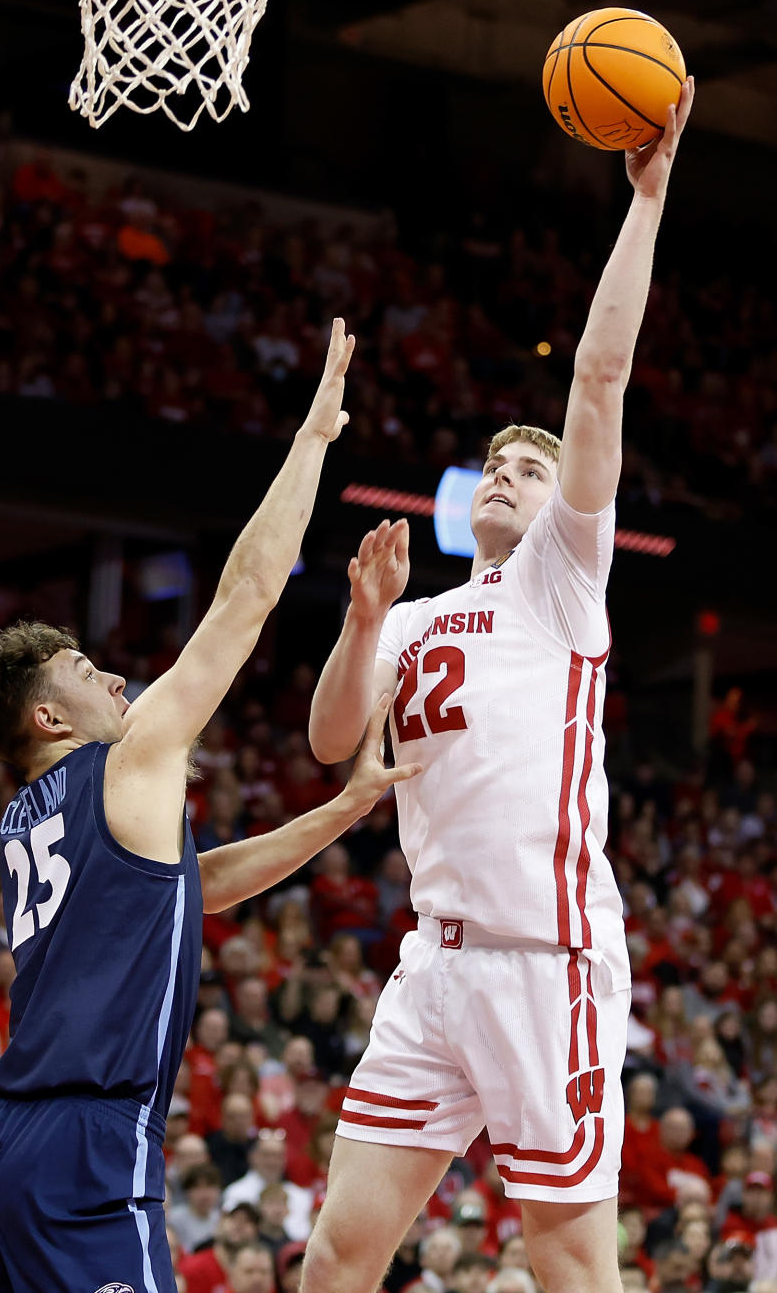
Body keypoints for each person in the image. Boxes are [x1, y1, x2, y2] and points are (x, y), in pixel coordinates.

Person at [0, 322, 421, 1293]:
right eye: (83, 670)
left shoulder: (33, 815)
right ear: (44, 716)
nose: (113, 676)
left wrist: (341, 809)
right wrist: (314, 438)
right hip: (86, 1143)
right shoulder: (130, 761)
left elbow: (201, 884)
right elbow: (244, 596)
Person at [303, 82, 695, 1293]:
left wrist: (648, 197)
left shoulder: (564, 583)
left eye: (531, 469)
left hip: (548, 961)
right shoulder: (416, 611)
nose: (510, 476)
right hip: (438, 960)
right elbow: (330, 743)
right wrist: (363, 624)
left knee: (570, 1261)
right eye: (495, 466)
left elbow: (596, 380)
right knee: (340, 1251)